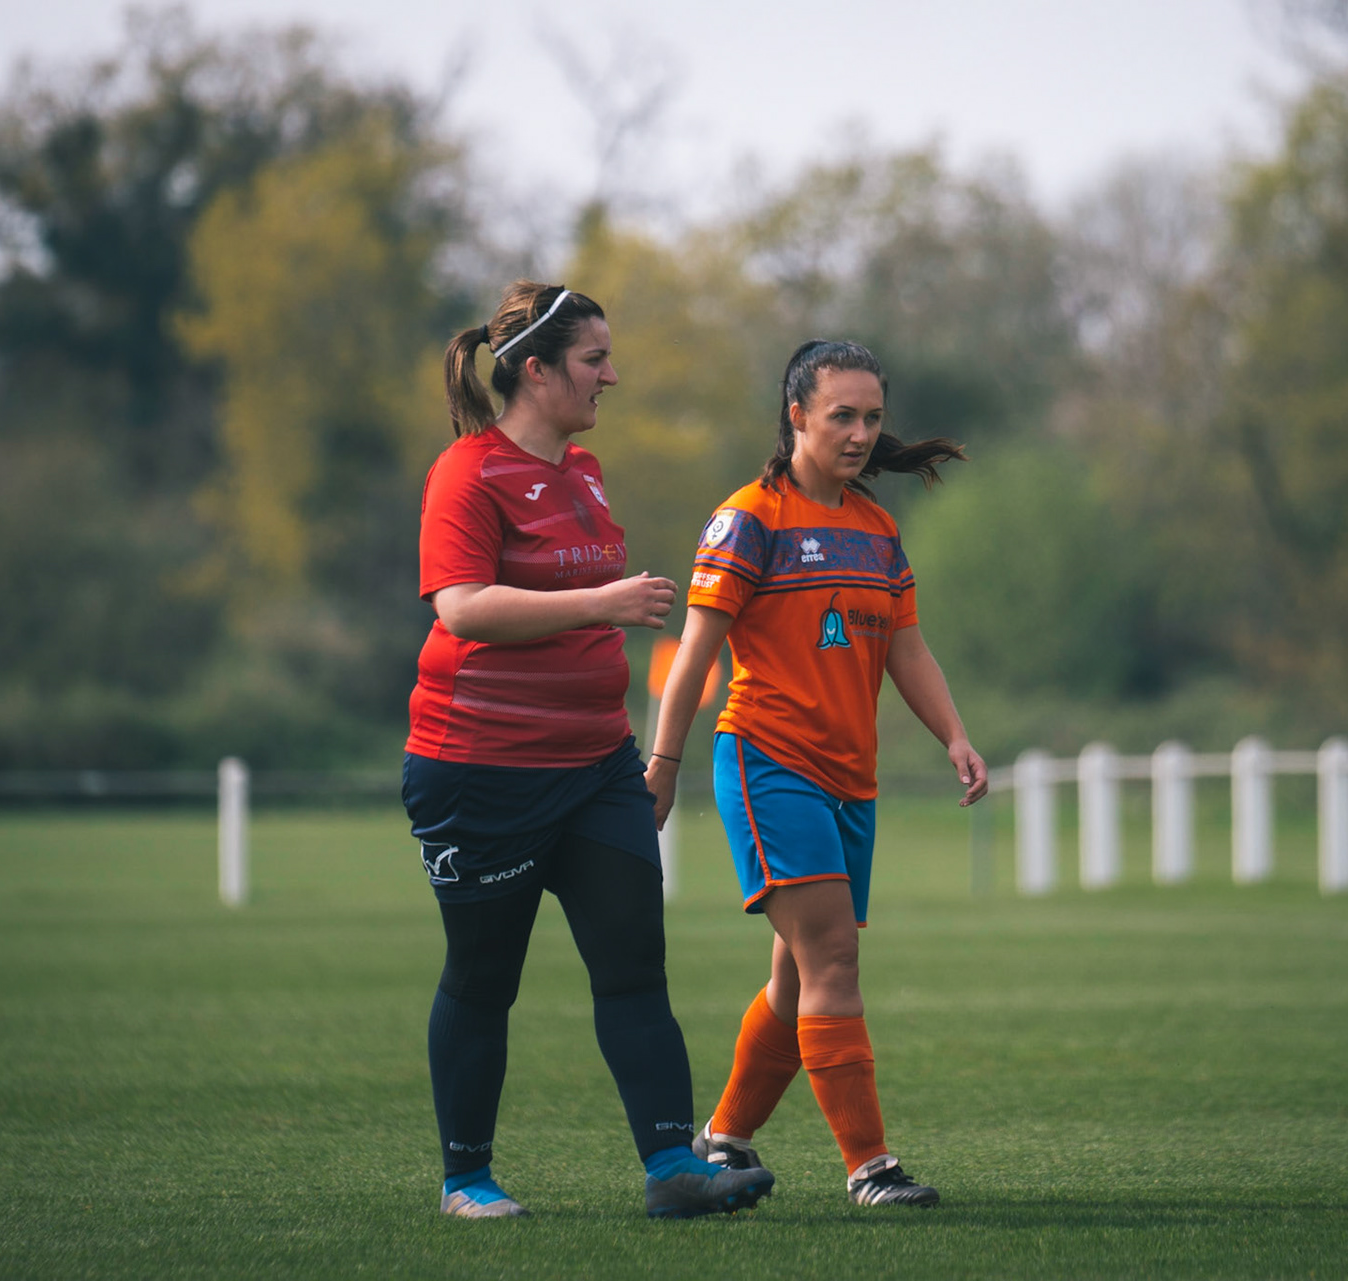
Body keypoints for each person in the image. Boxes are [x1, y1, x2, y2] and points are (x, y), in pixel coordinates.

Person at [402, 280, 774, 1220]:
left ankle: (674, 1169)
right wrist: (600, 603)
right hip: (479, 771)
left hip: (598, 766)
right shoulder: (466, 474)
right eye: (594, 359)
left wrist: (651, 754)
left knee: (635, 964)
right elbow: (463, 608)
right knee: (484, 979)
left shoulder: (586, 470)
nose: (612, 375)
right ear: (536, 370)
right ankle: (466, 1180)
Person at [644, 339, 989, 1209]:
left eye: (873, 417)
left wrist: (953, 734)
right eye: (843, 415)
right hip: (769, 763)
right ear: (796, 415)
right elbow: (694, 654)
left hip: (850, 780)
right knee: (834, 957)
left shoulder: (876, 528)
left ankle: (722, 1139)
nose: (861, 433)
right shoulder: (749, 518)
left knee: (797, 979)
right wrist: (663, 763)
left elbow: (907, 647)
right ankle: (871, 1168)